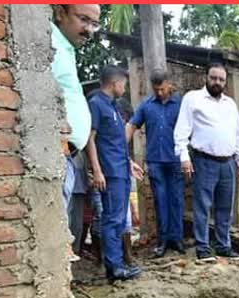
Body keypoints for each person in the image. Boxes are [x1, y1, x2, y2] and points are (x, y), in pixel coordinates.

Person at [174, 62, 239, 262]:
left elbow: (237, 134)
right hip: (204, 161)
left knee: (225, 208)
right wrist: (184, 158)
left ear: (225, 82)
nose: (217, 82)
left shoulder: (230, 104)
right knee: (202, 206)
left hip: (228, 163)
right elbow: (181, 131)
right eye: (213, 78)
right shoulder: (193, 99)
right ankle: (203, 248)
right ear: (206, 77)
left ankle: (224, 246)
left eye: (221, 79)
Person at [50, 4, 100, 261]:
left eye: (94, 23)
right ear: (60, 12)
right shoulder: (47, 43)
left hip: (66, 154)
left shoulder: (65, 49)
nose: (89, 29)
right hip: (56, 151)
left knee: (61, 231)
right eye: (83, 20)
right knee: (53, 238)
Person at [86, 66, 144, 282]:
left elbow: (114, 142)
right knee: (112, 219)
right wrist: (97, 170)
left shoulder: (113, 108)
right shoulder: (96, 105)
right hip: (109, 173)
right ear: (115, 83)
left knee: (119, 220)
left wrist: (129, 163)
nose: (124, 88)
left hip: (120, 170)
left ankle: (117, 264)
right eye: (124, 84)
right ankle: (115, 268)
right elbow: (90, 139)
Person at [126, 69, 185, 258]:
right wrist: (119, 146)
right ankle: (163, 241)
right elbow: (132, 125)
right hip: (155, 162)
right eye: (156, 89)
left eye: (162, 89)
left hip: (176, 160)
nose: (159, 93)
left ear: (169, 84)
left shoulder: (181, 105)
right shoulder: (146, 106)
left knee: (176, 199)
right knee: (160, 200)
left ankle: (177, 239)